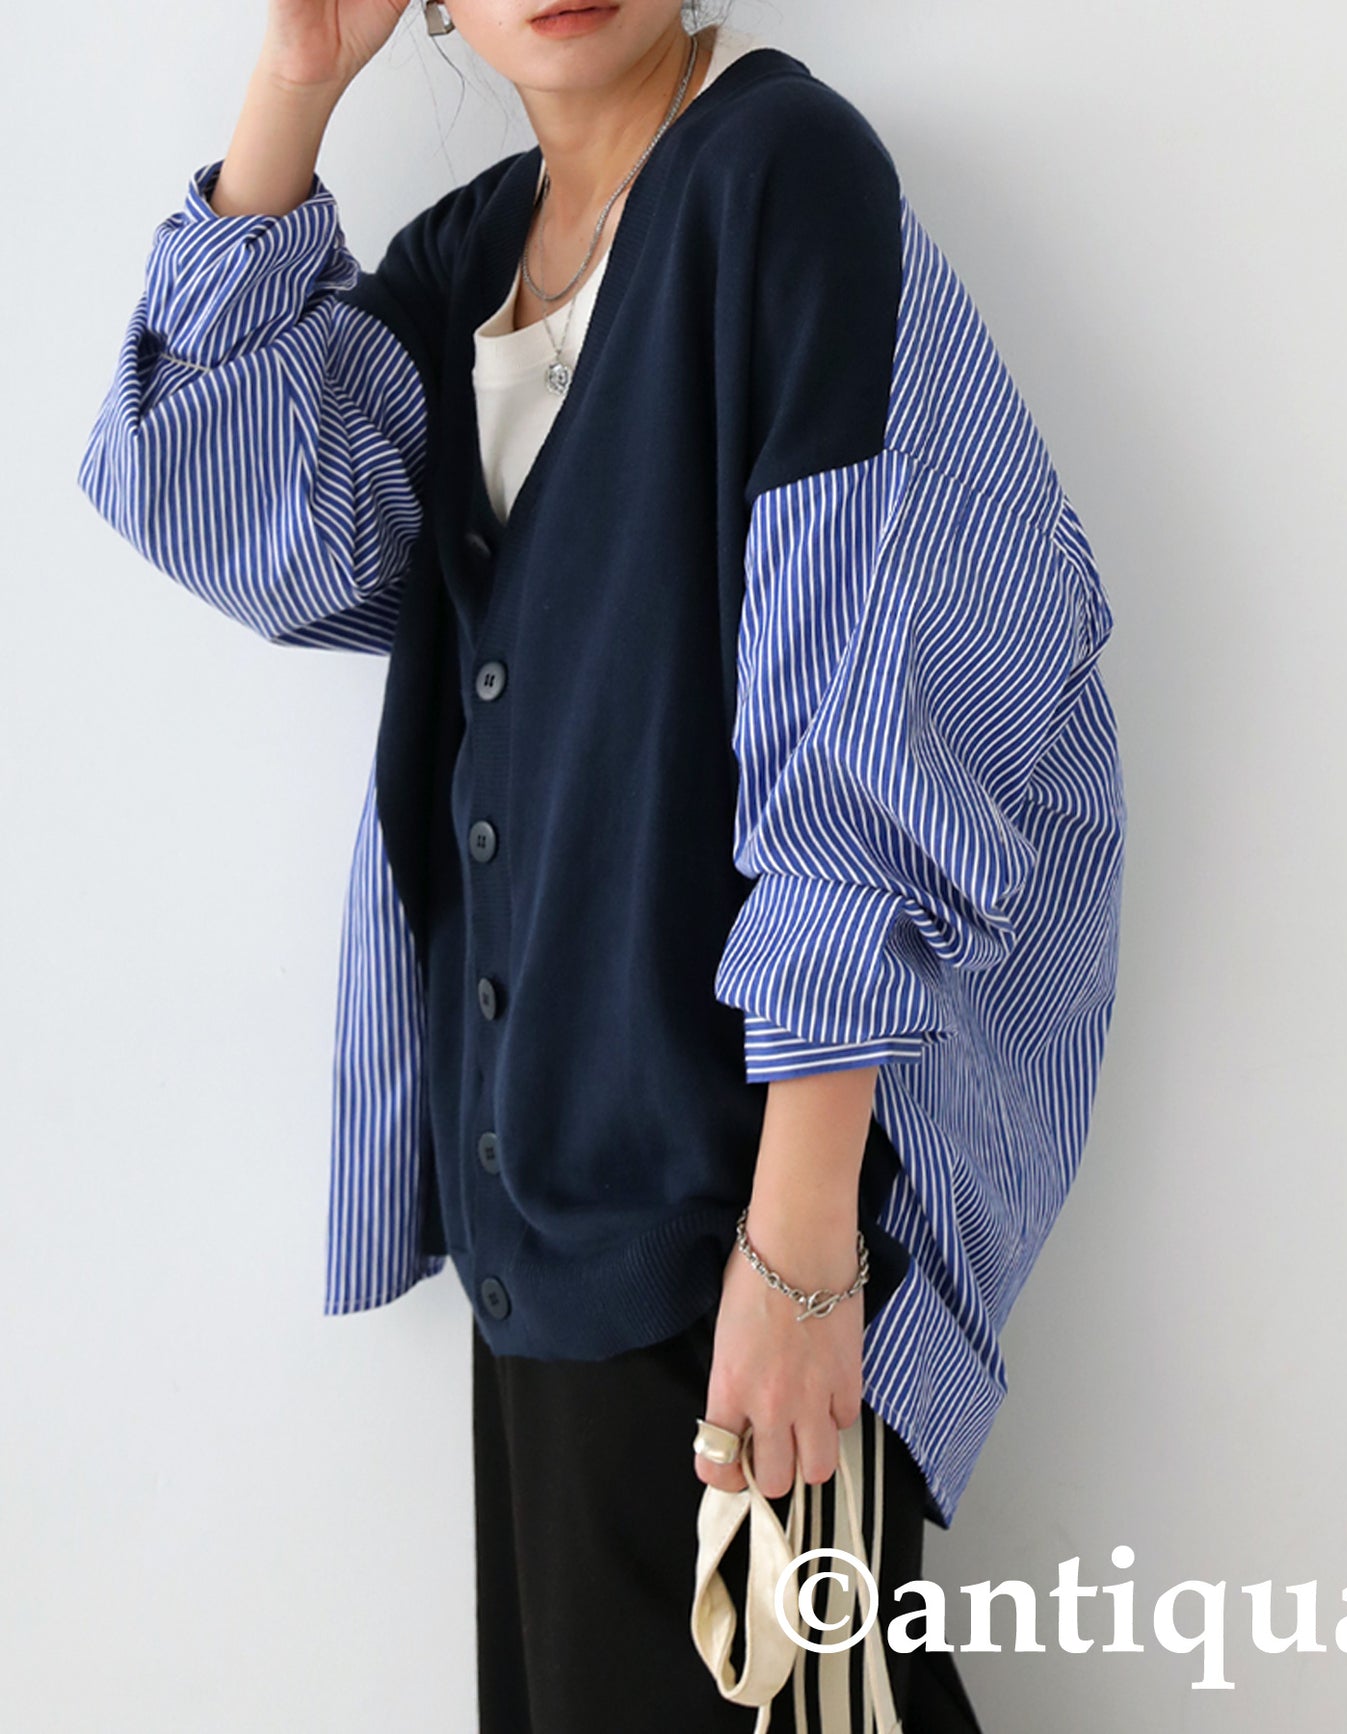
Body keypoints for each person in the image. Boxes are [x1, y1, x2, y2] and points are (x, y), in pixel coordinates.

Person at [77, 0, 1126, 1727]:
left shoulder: (778, 175)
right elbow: (217, 489)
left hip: (735, 1236)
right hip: (548, 1231)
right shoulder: (469, 262)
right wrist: (296, 78)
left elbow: (876, 726)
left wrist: (799, 1260)